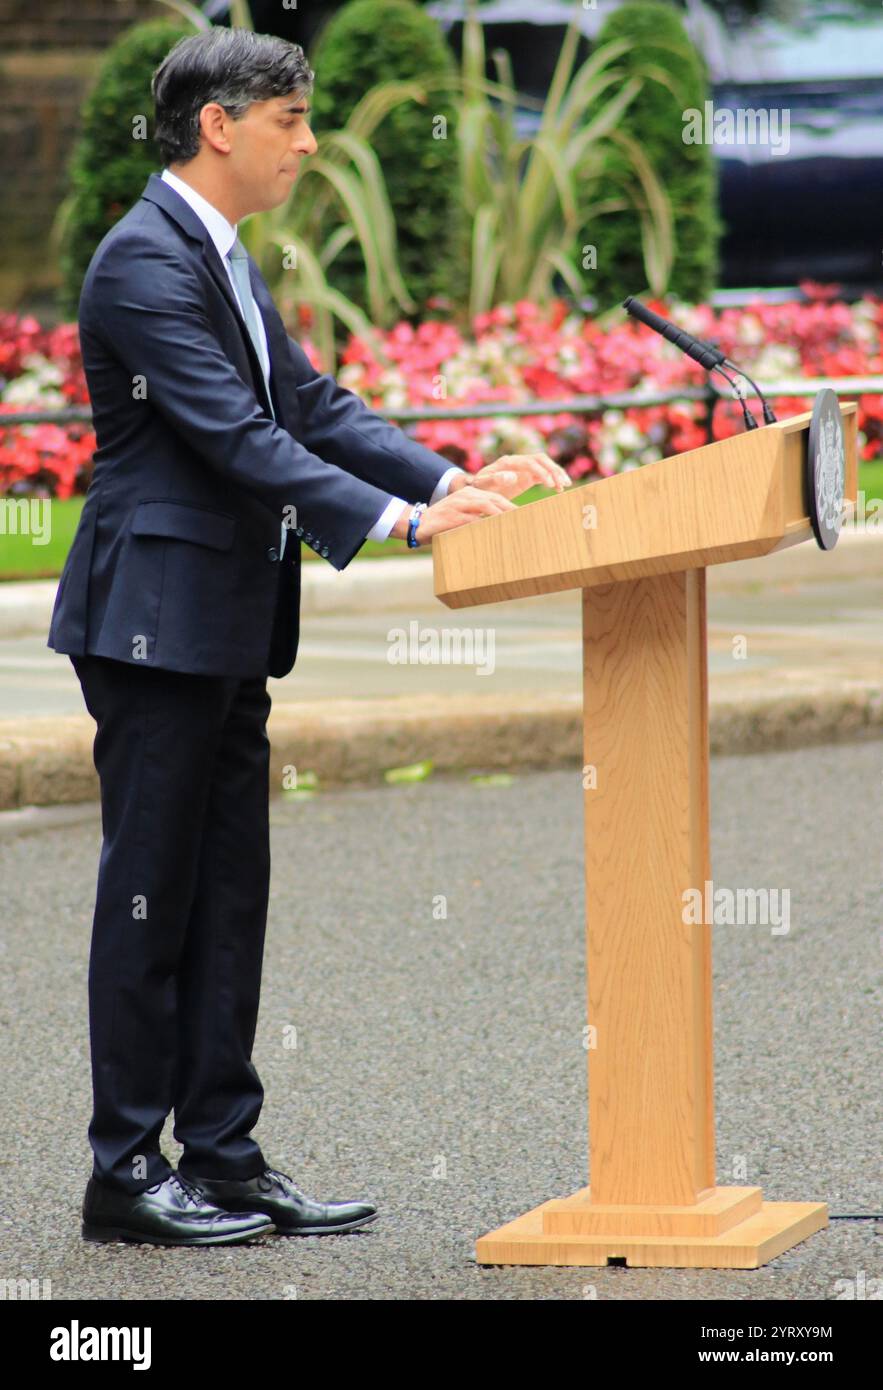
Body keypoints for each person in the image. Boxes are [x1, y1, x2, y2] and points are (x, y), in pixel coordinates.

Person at [47, 26, 570, 1247]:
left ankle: (222, 1154)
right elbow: (236, 436)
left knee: (228, 895)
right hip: (152, 626)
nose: (312, 140)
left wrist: (447, 477)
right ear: (218, 125)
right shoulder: (143, 260)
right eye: (291, 118)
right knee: (148, 897)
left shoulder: (217, 253)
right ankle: (125, 1169)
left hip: (224, 623)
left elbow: (310, 405)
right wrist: (400, 523)